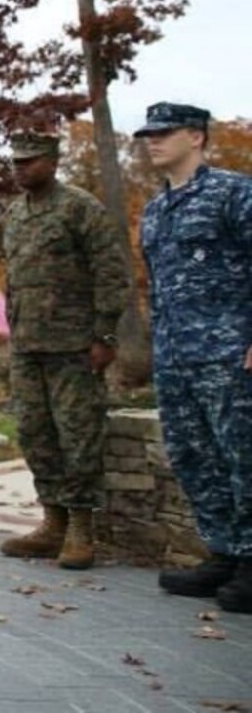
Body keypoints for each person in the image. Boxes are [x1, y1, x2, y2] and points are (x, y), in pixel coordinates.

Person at [136, 102, 252, 613]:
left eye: (164, 132)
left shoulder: (233, 193)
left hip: (229, 351)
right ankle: (224, 551)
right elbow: (158, 289)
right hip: (177, 355)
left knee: (242, 453)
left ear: (196, 137)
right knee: (193, 454)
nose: (152, 141)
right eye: (149, 134)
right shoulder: (156, 211)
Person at [0, 131, 131, 570]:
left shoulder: (79, 207)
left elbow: (110, 271)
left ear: (52, 161)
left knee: (78, 434)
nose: (20, 168)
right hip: (28, 345)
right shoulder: (16, 214)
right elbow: (14, 281)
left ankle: (80, 528)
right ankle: (52, 521)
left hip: (73, 345)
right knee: (36, 434)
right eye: (16, 161)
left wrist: (105, 334)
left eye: (29, 160)